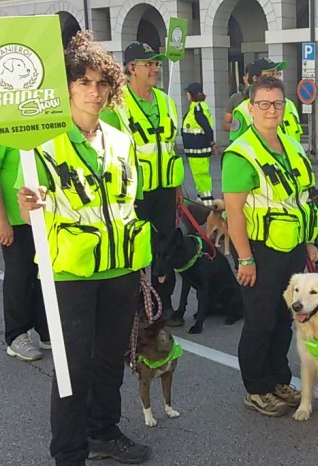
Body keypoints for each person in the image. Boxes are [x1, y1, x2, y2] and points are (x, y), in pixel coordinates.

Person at [17, 31, 152, 466]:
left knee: (111, 359)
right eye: (83, 83)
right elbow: (29, 201)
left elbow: (126, 203)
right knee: (73, 367)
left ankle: (103, 431)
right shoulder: (42, 145)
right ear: (67, 89)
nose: (94, 92)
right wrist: (28, 201)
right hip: (71, 270)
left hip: (119, 267)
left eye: (100, 83)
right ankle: (69, 456)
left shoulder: (119, 139)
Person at [222, 75, 318, 416]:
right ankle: (256, 388)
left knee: (284, 318)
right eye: (263, 103)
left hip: (292, 246)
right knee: (260, 320)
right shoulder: (240, 153)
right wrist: (245, 259)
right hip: (260, 250)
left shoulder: (291, 145)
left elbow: (300, 199)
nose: (271, 110)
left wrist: (308, 243)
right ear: (250, 109)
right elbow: (234, 213)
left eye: (277, 103)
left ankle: (279, 378)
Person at [103, 41, 183, 328]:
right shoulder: (115, 105)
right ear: (131, 68)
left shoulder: (166, 101)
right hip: (133, 192)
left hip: (163, 189)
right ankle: (138, 306)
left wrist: (177, 187)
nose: (154, 68)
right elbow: (104, 152)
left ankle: (164, 304)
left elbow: (170, 146)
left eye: (156, 63)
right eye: (148, 64)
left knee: (166, 247)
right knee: (136, 249)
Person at [0, 140, 49, 362]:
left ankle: (46, 329)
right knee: (20, 276)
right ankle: (17, 335)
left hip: (45, 215)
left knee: (44, 274)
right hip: (15, 219)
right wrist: (1, 220)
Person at [229, 58, 302, 143]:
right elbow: (237, 147)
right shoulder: (243, 110)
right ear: (255, 79)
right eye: (270, 75)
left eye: (277, 74)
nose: (277, 78)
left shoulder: (289, 104)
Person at [181, 82, 218, 205]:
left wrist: (212, 143)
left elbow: (207, 128)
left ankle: (207, 201)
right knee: (199, 175)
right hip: (196, 150)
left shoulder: (197, 108)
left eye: (188, 93)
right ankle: (201, 198)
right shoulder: (197, 107)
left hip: (198, 149)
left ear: (192, 95)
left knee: (201, 175)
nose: (186, 95)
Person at [223, 65, 251, 132]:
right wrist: (239, 127)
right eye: (249, 79)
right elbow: (226, 124)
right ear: (244, 79)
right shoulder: (236, 98)